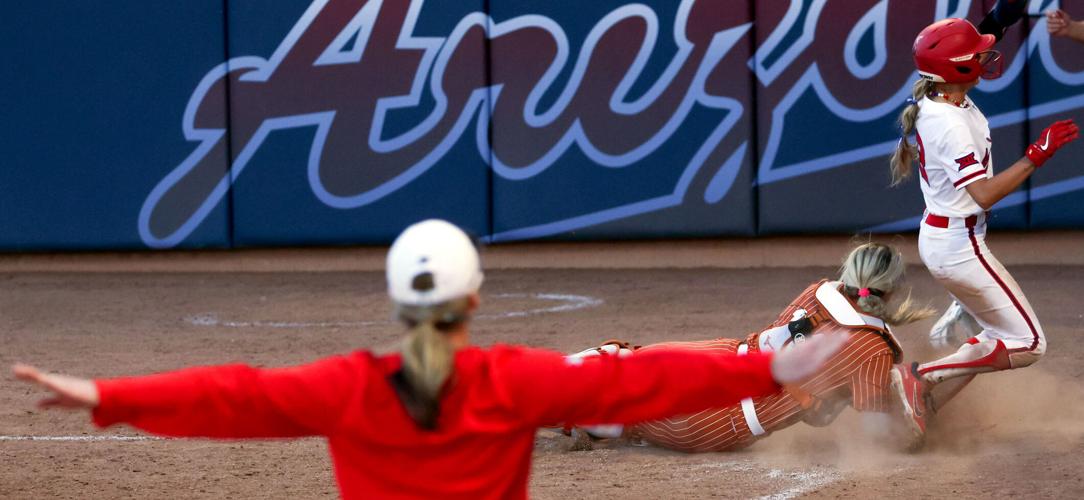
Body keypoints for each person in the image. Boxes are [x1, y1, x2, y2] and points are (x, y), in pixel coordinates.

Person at [12, 219, 846, 499]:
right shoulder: (514, 380)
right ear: (475, 298)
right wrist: (765, 370)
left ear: (394, 300)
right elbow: (642, 379)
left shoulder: (348, 388)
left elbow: (231, 397)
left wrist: (105, 392)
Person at [887, 18, 1080, 448]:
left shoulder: (943, 98)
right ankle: (920, 379)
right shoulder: (948, 123)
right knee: (1029, 342)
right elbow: (984, 194)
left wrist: (1000, 18)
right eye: (976, 55)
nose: (985, 57)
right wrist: (1036, 156)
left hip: (950, 238)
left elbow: (971, 42)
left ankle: (927, 402)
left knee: (1000, 333)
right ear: (954, 69)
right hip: (958, 244)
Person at [564, 243, 933, 452]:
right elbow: (878, 434)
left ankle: (532, 387)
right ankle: (574, 416)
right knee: (629, 414)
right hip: (725, 419)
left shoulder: (819, 290)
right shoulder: (875, 349)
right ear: (894, 290)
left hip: (720, 358)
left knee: (623, 361)